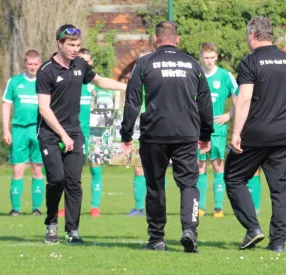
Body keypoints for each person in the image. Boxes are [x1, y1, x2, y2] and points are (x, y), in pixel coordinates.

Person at [120, 21, 214, 253]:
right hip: (186, 134)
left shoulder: (144, 63)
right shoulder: (193, 64)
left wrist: (126, 133)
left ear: (155, 39)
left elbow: (132, 100)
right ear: (177, 39)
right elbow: (205, 102)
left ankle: (156, 239)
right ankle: (190, 229)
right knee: (189, 183)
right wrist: (205, 133)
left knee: (155, 185)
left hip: (154, 134)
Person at [36, 24, 126, 245]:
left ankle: (72, 231)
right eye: (71, 45)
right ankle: (51, 222)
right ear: (59, 43)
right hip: (50, 133)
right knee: (57, 179)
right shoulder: (46, 71)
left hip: (74, 132)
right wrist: (63, 136)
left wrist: (127, 85)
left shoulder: (80, 65)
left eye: (77, 45)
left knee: (74, 182)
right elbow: (43, 109)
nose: (75, 49)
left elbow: (99, 81)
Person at [225, 16, 286, 253]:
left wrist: (236, 132)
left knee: (233, 177)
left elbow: (245, 99)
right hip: (284, 134)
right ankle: (278, 242)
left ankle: (253, 228)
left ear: (252, 35)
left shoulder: (250, 61)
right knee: (280, 189)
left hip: (255, 134)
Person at [196, 42, 239, 218]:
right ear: (201, 57)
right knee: (199, 167)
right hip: (198, 130)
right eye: (206, 57)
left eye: (212, 57)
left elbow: (240, 100)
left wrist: (229, 116)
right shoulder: (196, 74)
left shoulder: (225, 76)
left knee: (218, 165)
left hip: (218, 129)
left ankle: (218, 207)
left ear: (217, 56)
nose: (209, 61)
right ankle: (200, 207)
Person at [2, 50, 45, 217]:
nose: (32, 67)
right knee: (18, 169)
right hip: (19, 129)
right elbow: (6, 105)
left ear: (39, 64)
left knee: (37, 169)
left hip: (39, 129)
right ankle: (16, 209)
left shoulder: (45, 82)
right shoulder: (14, 82)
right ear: (25, 64)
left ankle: (36, 208)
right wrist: (6, 129)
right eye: (30, 64)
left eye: (35, 64)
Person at [76, 48, 104, 218]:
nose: (85, 64)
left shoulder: (97, 84)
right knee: (73, 173)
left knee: (96, 170)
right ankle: (68, 207)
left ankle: (95, 206)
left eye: (87, 61)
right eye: (81, 60)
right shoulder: (71, 81)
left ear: (91, 62)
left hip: (94, 134)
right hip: (74, 134)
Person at [127, 48, 152, 217]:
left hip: (154, 123)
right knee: (137, 167)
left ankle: (156, 205)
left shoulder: (158, 76)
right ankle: (138, 207)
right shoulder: (134, 76)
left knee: (157, 167)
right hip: (137, 123)